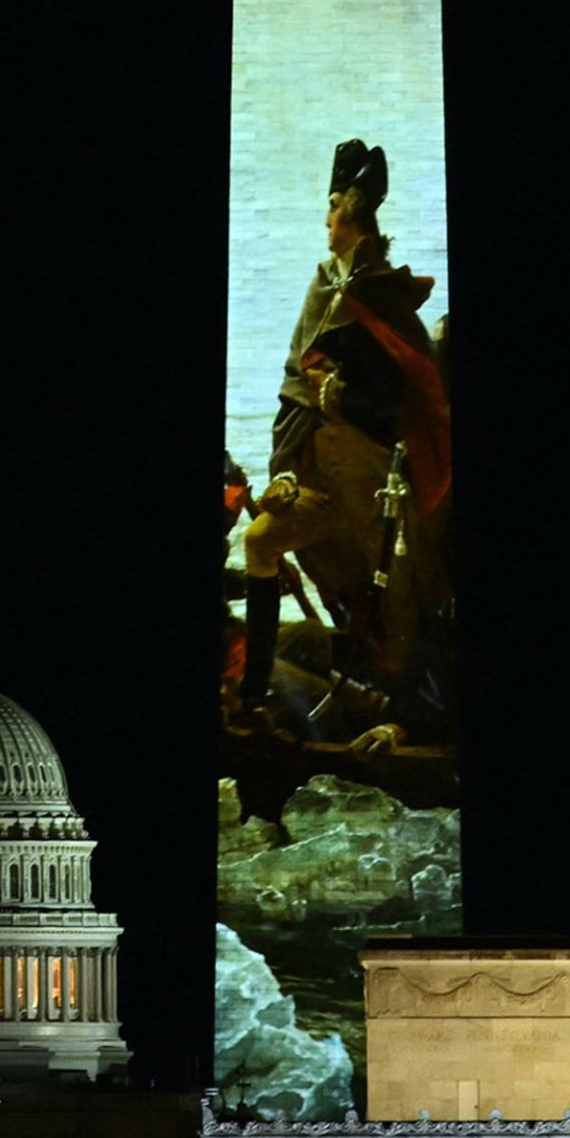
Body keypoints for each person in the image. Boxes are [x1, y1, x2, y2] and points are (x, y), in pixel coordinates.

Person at [236, 138, 450, 715]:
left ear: (352, 210)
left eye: (333, 205)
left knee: (399, 598)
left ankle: (414, 718)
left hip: (372, 478)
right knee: (260, 542)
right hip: (316, 470)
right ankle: (251, 698)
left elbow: (398, 402)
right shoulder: (323, 284)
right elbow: (293, 385)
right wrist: (281, 472)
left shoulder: (382, 290)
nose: (326, 219)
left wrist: (343, 397)